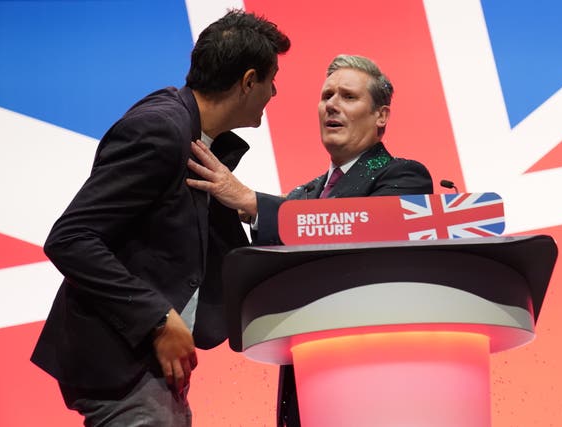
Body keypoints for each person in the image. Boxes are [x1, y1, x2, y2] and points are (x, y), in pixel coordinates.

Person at [30, 10, 290, 427]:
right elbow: (71, 238)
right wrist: (157, 319)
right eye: (271, 79)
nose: (275, 92)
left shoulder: (195, 134)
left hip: (145, 364)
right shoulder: (161, 130)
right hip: (119, 362)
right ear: (247, 81)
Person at [186, 54, 433, 427]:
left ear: (381, 115)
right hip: (305, 376)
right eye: (326, 95)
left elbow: (359, 227)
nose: (332, 104)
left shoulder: (404, 176)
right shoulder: (304, 194)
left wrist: (254, 203)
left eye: (348, 97)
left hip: (373, 378)